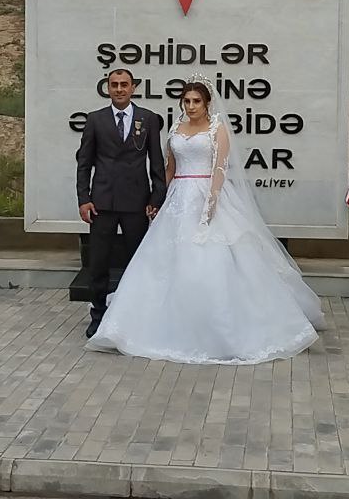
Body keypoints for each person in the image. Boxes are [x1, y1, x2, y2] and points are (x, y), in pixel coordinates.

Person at [86, 77, 324, 363]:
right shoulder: (175, 129)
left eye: (196, 101)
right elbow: (169, 168)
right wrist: (158, 199)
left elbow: (220, 168)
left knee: (213, 257)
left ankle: (224, 328)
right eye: (186, 101)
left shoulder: (217, 129)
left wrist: (211, 201)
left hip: (206, 193)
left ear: (207, 103)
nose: (191, 106)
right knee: (163, 260)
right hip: (177, 197)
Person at [76, 69, 166, 339]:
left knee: (138, 261)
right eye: (114, 85)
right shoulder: (95, 120)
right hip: (101, 202)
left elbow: (156, 161)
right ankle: (98, 315)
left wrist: (156, 197)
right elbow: (84, 163)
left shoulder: (148, 119)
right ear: (107, 88)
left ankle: (138, 316)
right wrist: (84, 199)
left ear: (133, 87)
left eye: (124, 84)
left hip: (136, 202)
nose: (119, 89)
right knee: (99, 262)